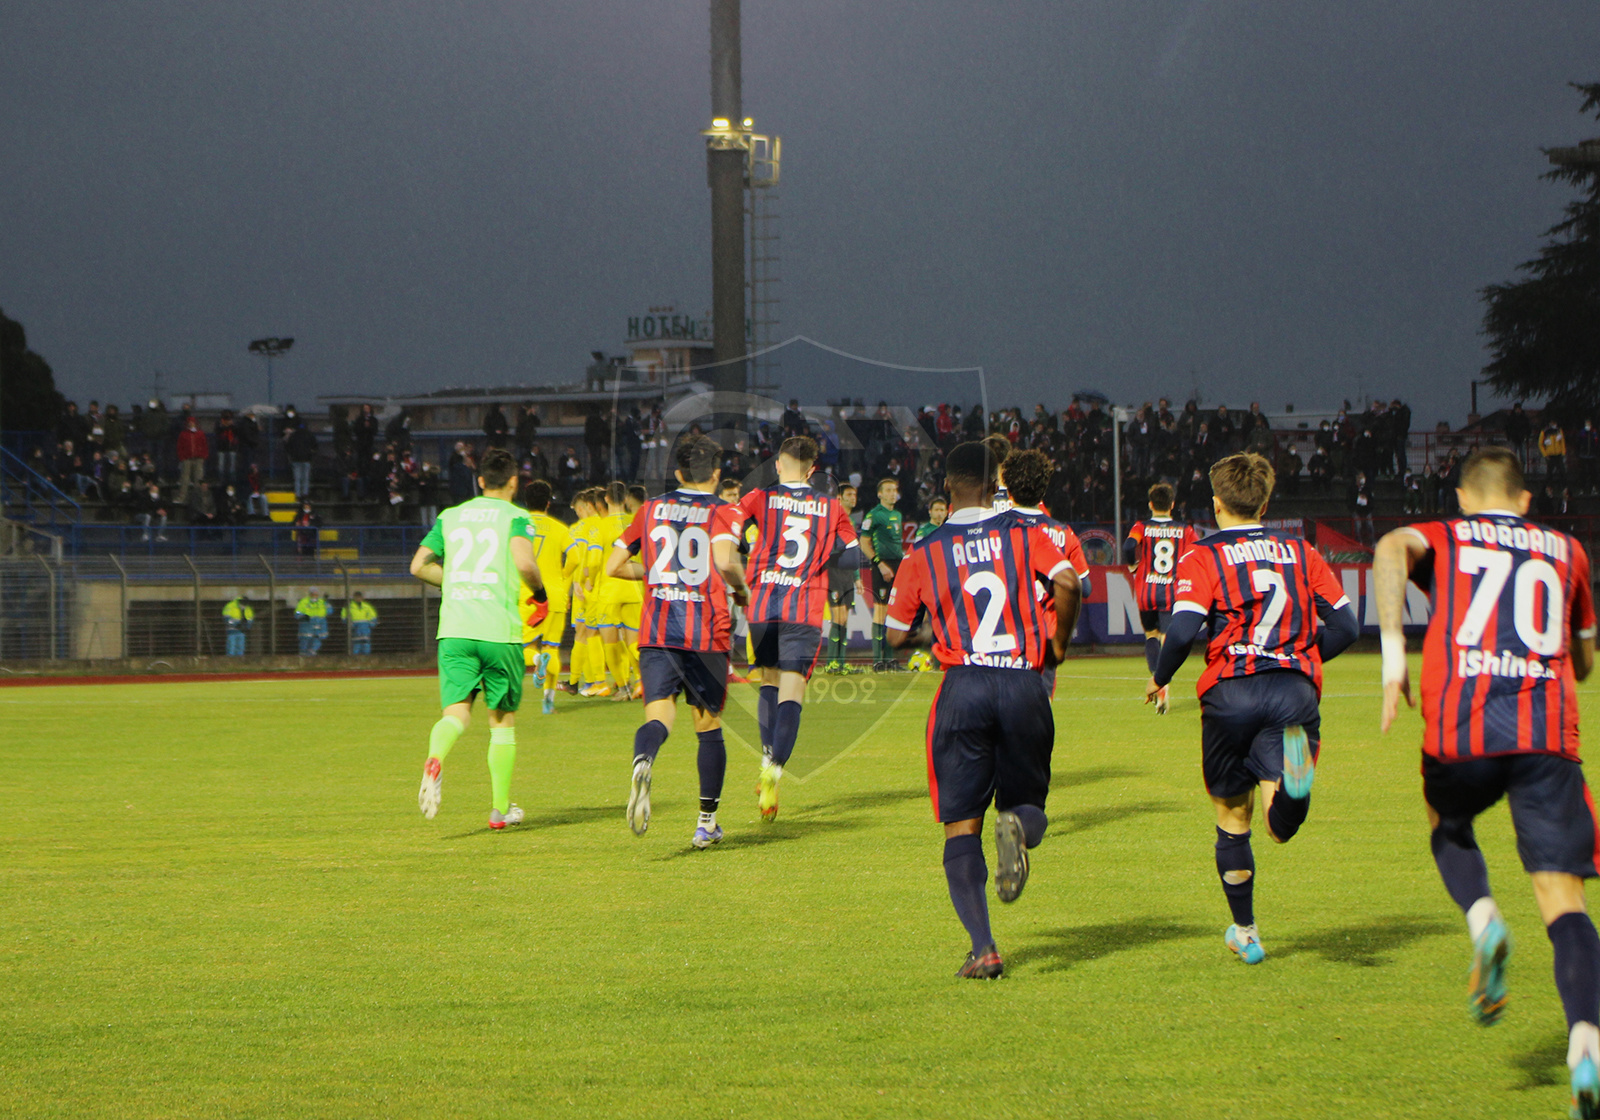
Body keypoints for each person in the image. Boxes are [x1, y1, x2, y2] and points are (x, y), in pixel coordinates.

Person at [1374, 446, 1600, 1118]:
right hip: (1547, 738)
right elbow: (1585, 659)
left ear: (1464, 500)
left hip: (1463, 729)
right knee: (1564, 903)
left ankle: (1483, 919)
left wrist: (1394, 655)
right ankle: (1586, 1045)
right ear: (1526, 501)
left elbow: (1389, 548)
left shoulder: (1449, 535)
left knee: (1446, 822)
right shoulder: (1568, 551)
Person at [1145, 452, 1359, 965]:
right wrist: (1300, 656)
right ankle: (1293, 790)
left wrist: (1160, 677)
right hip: (1292, 692)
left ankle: (1246, 932)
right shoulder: (1300, 551)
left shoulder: (1203, 555)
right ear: (1264, 503)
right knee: (1278, 825)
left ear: (1216, 504)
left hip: (1231, 693)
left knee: (1231, 814)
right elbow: (1347, 627)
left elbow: (1182, 632)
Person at [885, 441, 1081, 978]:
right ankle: (1016, 825)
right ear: (995, 486)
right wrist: (1058, 645)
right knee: (1029, 806)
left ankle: (984, 948)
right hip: (1022, 682)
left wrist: (933, 632)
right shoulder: (1025, 533)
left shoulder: (925, 549)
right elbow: (1068, 582)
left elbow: (895, 634)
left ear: (947, 486)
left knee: (961, 826)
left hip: (964, 685)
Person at [606, 434, 750, 848]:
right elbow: (725, 562)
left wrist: (654, 572)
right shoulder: (725, 510)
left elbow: (614, 565)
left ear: (678, 473)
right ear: (717, 474)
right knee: (708, 727)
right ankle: (706, 823)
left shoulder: (650, 509)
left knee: (658, 717)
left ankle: (644, 758)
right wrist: (741, 590)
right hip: (706, 632)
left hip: (658, 633)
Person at [411, 447, 547, 830]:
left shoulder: (450, 516)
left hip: (455, 631)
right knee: (501, 722)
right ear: (514, 482)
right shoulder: (516, 517)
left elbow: (418, 565)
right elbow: (524, 562)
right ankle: (500, 810)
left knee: (455, 714)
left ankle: (435, 758)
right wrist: (540, 594)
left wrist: (454, 581)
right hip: (498, 631)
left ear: (481, 480)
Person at [735, 436, 862, 820]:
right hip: (803, 610)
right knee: (792, 692)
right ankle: (774, 771)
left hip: (763, 607)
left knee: (768, 681)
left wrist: (749, 551)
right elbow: (853, 555)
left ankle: (765, 757)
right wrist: (822, 557)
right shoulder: (831, 507)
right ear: (812, 470)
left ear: (778, 465)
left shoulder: (759, 498)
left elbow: (729, 529)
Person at [1123, 482, 1199, 713]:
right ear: (1172, 505)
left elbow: (1129, 546)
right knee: (1167, 638)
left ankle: (1156, 677)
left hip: (1146, 591)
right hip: (1172, 592)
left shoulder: (1141, 527)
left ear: (1151, 505)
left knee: (1151, 635)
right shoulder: (1185, 530)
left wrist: (1132, 565)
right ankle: (1162, 682)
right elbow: (1197, 552)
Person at [519, 478, 573, 715]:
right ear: (548, 503)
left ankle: (537, 660)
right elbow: (576, 556)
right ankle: (548, 703)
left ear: (526, 502)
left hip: (529, 595)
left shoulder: (519, 526)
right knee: (553, 647)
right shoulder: (560, 528)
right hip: (556, 594)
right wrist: (563, 578)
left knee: (521, 648)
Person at [858, 478, 905, 670]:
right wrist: (879, 564)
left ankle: (890, 660)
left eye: (894, 490)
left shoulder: (897, 514)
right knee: (880, 612)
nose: (893, 493)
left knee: (894, 612)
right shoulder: (874, 515)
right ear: (880, 494)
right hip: (882, 566)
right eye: (888, 490)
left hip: (898, 565)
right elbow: (864, 543)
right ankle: (878, 660)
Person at [823, 483, 863, 673]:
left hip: (847, 575)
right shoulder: (831, 520)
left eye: (854, 494)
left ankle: (841, 662)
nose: (853, 497)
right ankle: (831, 662)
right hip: (833, 572)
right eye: (849, 494)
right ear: (839, 498)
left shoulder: (851, 522)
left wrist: (857, 577)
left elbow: (853, 553)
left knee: (845, 618)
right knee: (837, 617)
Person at [295, 588, 330, 656]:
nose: (314, 596)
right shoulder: (304, 602)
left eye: (316, 594)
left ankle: (312, 653)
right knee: (305, 639)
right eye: (313, 594)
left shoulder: (322, 602)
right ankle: (303, 653)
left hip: (319, 623)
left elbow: (329, 611)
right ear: (310, 594)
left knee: (317, 639)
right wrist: (302, 616)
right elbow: (298, 612)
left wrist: (326, 602)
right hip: (307, 624)